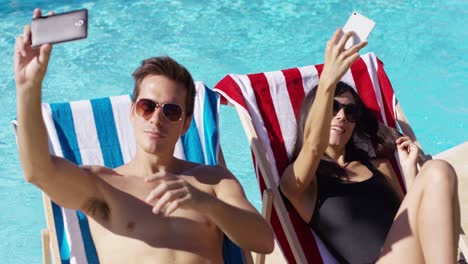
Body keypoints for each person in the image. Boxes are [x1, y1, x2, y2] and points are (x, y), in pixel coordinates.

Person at [15, 9, 274, 264]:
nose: (156, 118)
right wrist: (28, 88)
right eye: (147, 106)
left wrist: (205, 204)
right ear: (132, 112)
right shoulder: (104, 185)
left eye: (171, 111)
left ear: (185, 124)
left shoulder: (213, 181)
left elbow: (263, 241)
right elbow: (38, 171)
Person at [279, 29, 460, 263]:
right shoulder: (299, 184)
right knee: (437, 169)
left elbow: (409, 222)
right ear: (313, 115)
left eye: (350, 111)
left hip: (414, 256)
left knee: (436, 169)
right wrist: (327, 81)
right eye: (333, 107)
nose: (341, 116)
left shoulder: (379, 166)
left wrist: (410, 174)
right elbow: (314, 147)